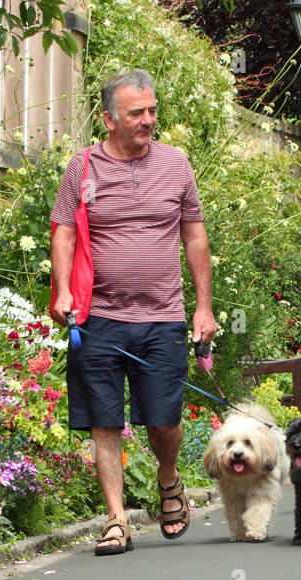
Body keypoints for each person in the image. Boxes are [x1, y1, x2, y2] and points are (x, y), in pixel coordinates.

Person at [49, 69, 217, 554]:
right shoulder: (82, 168)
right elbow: (64, 231)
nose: (148, 120)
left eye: (152, 110)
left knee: (163, 418)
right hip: (97, 316)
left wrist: (203, 307)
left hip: (163, 316)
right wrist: (63, 291)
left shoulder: (176, 163)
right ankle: (117, 520)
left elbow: (194, 235)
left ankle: (168, 476)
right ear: (108, 118)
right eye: (136, 113)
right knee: (104, 418)